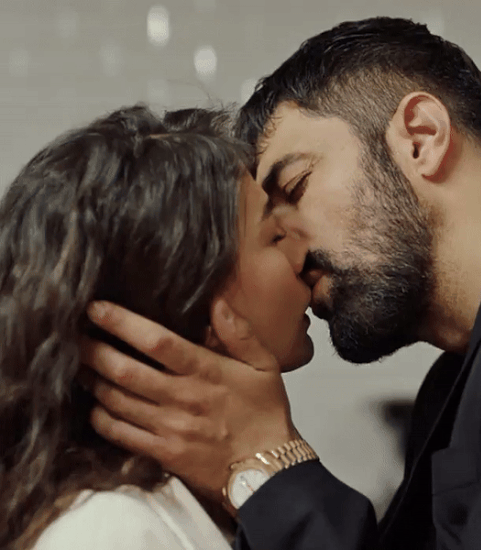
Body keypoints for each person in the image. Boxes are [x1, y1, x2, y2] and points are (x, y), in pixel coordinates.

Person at [82, 17, 481, 549]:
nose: (292, 253)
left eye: (296, 185)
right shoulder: (453, 386)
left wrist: (267, 462)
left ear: (421, 138)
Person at [0, 104, 315, 550]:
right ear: (195, 301)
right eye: (275, 237)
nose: (304, 254)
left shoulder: (187, 504)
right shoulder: (112, 532)